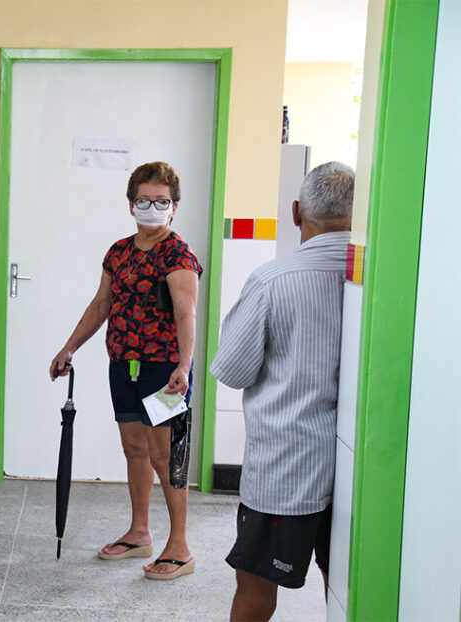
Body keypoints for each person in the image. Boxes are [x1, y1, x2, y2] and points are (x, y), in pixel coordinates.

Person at [210, 162, 354, 621]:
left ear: (296, 213)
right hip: (358, 470)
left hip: (285, 472)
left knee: (255, 590)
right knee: (345, 587)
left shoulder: (273, 280)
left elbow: (232, 370)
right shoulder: (377, 281)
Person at [49, 161, 202, 580]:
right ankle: (139, 532)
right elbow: (101, 304)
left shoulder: (178, 253)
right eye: (143, 200)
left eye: (161, 201)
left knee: (166, 456)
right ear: (131, 203)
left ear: (174, 207)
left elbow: (187, 314)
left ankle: (180, 546)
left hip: (164, 370)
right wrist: (69, 348)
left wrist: (184, 367)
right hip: (124, 365)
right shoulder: (119, 251)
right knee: (135, 450)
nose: (152, 208)